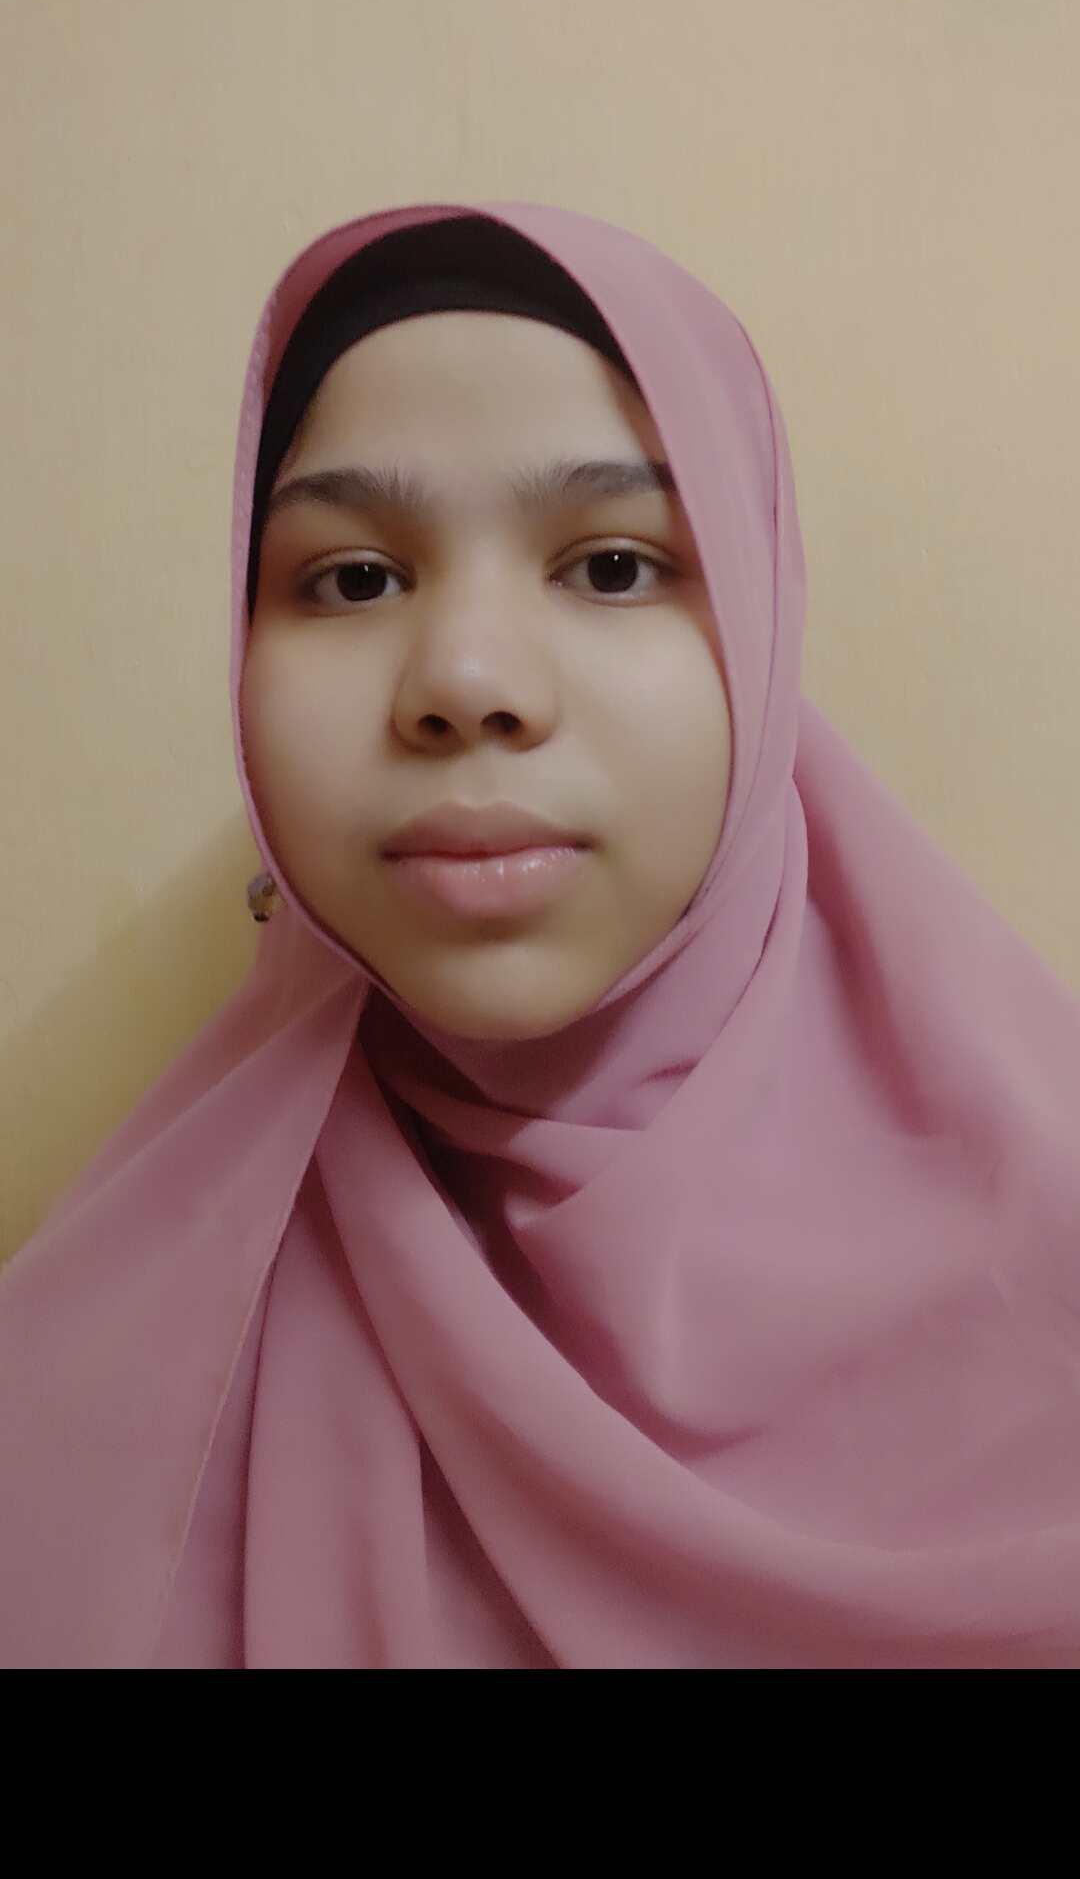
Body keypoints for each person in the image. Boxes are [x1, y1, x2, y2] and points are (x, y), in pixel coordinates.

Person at [2, 200, 1080, 1669]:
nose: (465, 681)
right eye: (354, 578)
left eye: (614, 566)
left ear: (760, 627)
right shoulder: (106, 1380)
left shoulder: (1045, 1248)